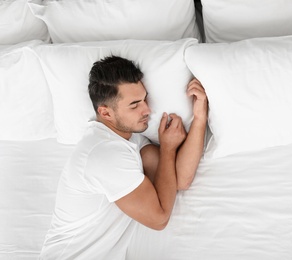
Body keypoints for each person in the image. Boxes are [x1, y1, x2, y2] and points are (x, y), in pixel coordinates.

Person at [39, 55, 208, 259]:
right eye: (135, 104)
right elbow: (159, 218)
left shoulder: (129, 140)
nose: (147, 110)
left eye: (144, 99)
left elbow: (179, 179)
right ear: (106, 113)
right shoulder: (104, 154)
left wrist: (199, 119)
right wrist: (168, 149)